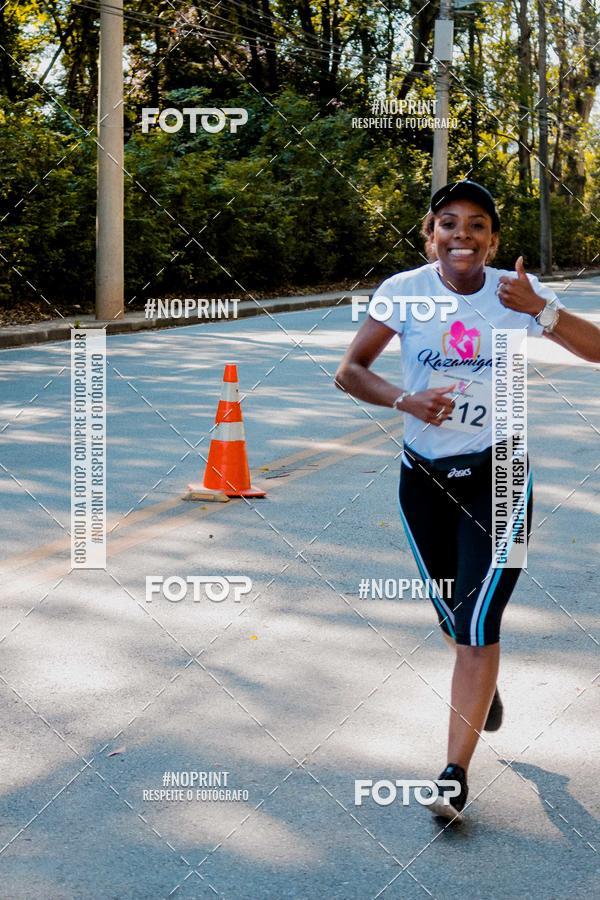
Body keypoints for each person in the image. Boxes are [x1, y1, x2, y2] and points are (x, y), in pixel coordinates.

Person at [335, 181, 600, 822]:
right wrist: (404, 399)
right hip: (422, 475)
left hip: (503, 471)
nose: (462, 234)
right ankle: (483, 688)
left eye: (477, 225)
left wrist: (542, 311)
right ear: (431, 236)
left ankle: (453, 775)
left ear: (493, 241)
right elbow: (351, 370)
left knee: (479, 627)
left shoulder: (516, 296)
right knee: (458, 619)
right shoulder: (404, 292)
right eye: (448, 223)